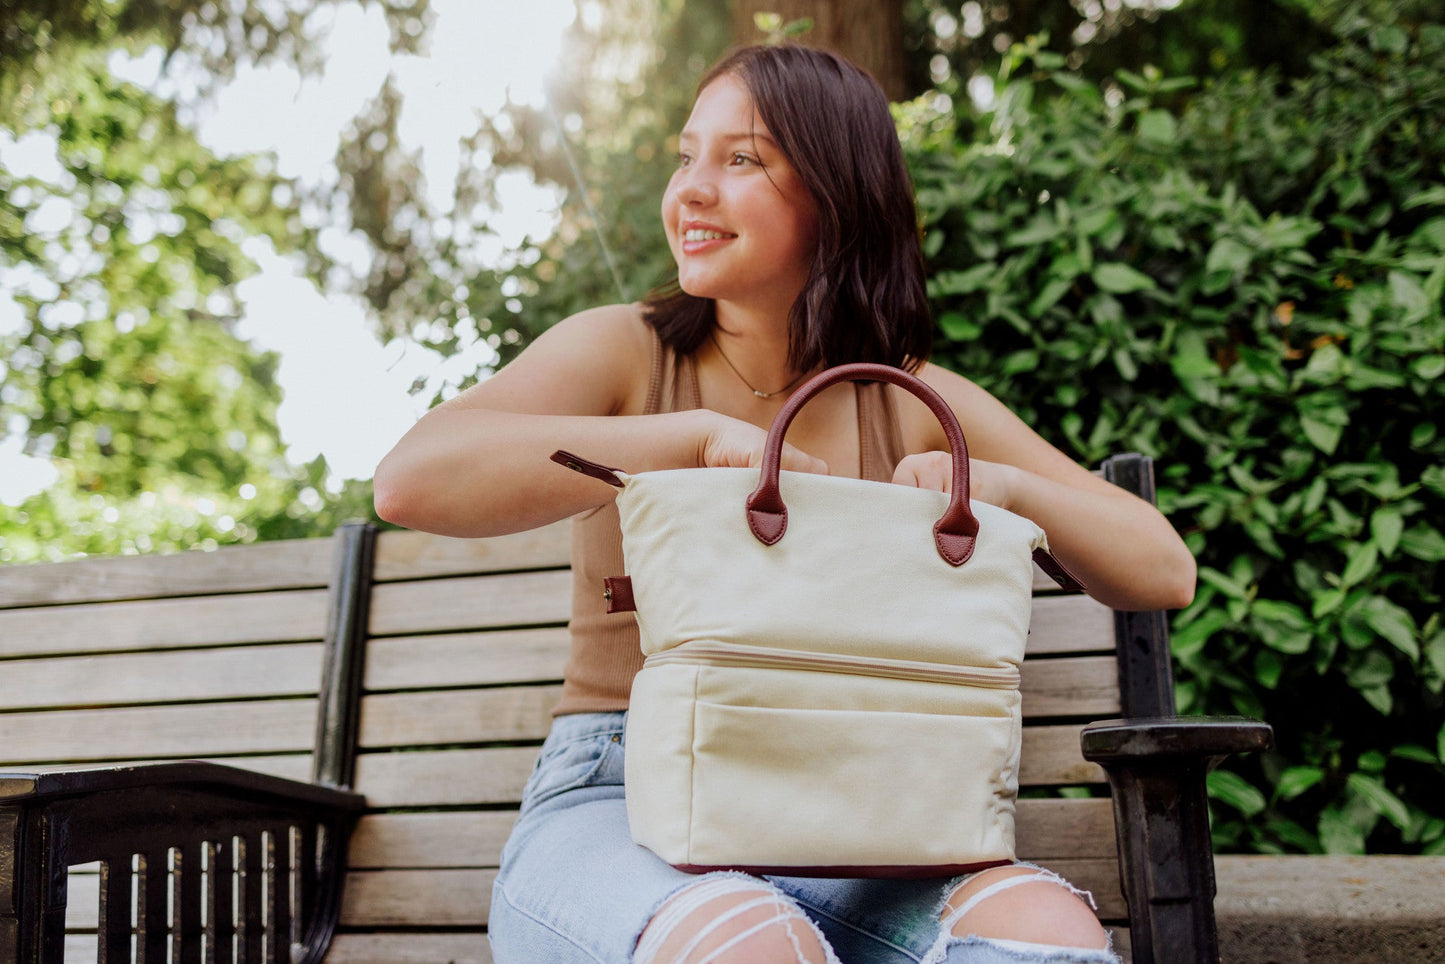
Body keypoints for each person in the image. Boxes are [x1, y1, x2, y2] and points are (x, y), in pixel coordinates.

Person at [374, 42, 1195, 964]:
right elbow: (411, 481)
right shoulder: (624, 354)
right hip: (616, 805)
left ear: (836, 192)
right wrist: (694, 442)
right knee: (750, 944)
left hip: (860, 820)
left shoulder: (914, 401)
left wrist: (996, 487)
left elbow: (1161, 569)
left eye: (741, 160)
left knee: (1044, 933)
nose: (690, 189)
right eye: (687, 155)